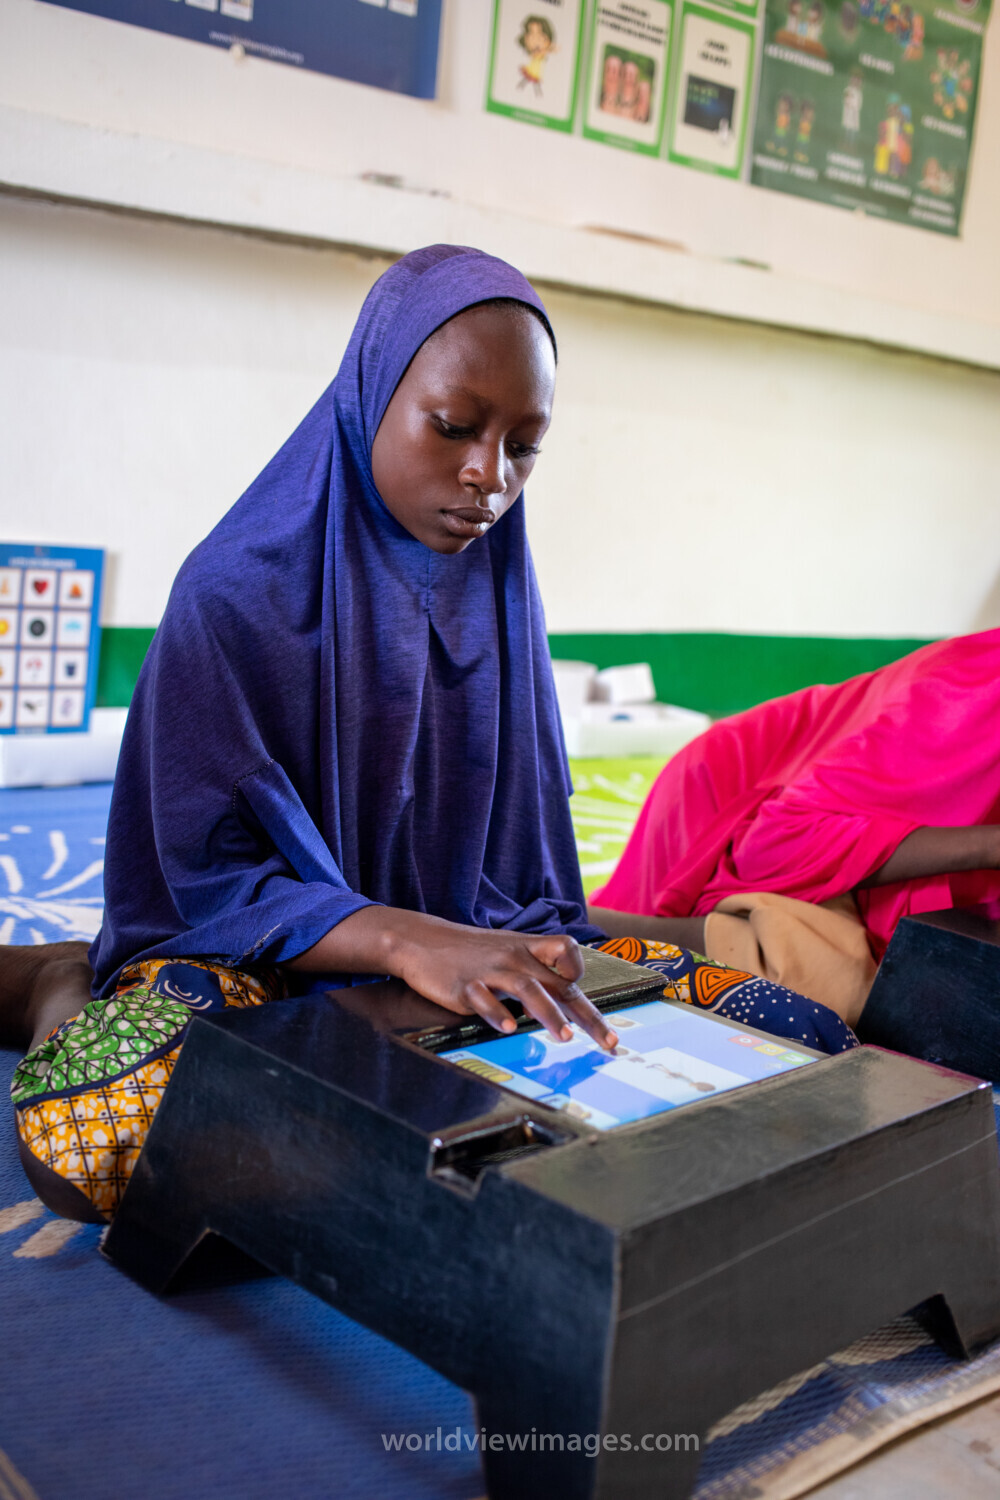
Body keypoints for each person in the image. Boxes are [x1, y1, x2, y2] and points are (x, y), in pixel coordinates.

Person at [2, 246, 856, 1223]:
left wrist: (497, 948)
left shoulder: (497, 596)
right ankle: (54, 987)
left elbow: (527, 895)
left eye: (523, 447)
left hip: (465, 957)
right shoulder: (231, 597)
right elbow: (195, 884)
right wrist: (407, 941)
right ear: (371, 393)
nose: (488, 477)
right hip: (255, 967)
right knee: (90, 1144)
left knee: (799, 1040)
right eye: (454, 427)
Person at [589, 630, 1000, 1026]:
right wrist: (990, 847)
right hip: (730, 806)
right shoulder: (965, 694)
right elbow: (771, 842)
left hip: (854, 843)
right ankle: (584, 928)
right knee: (827, 986)